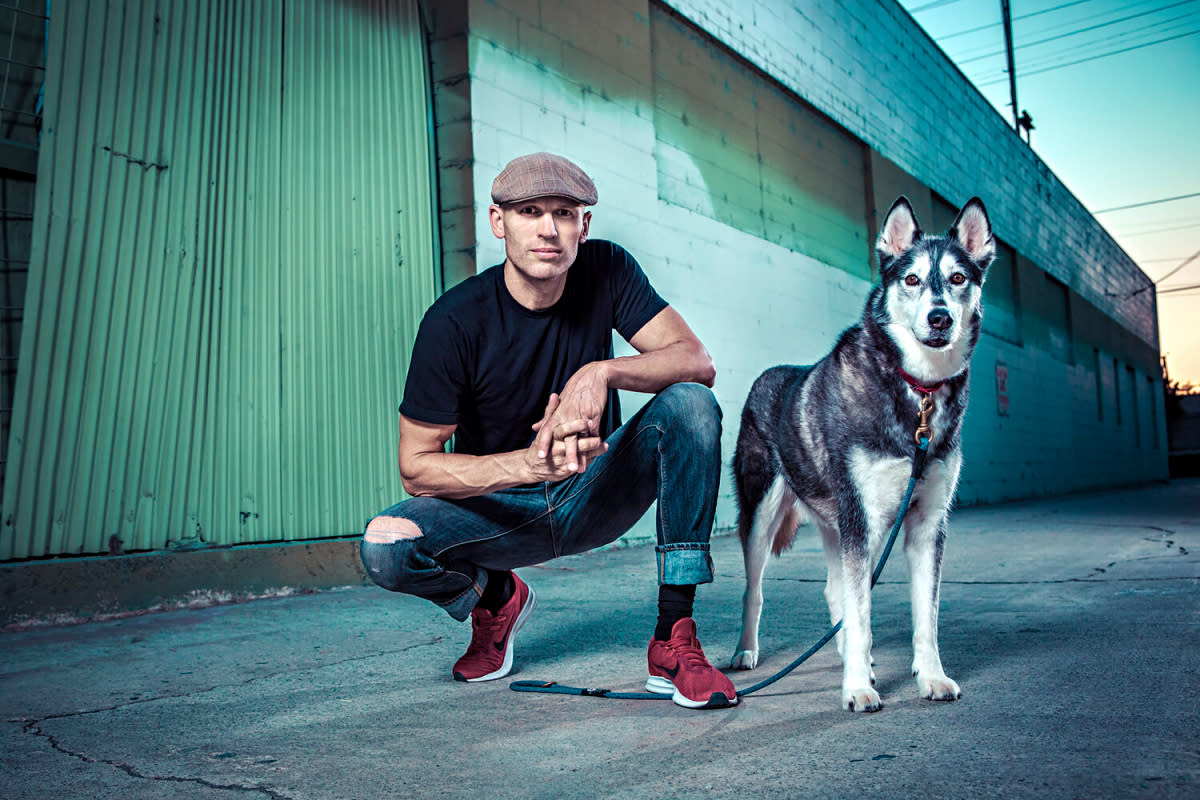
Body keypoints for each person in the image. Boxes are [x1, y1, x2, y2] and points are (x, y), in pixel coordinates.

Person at [360, 152, 737, 709]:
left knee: (692, 405)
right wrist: (528, 466)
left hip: (594, 489)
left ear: (583, 226)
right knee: (386, 545)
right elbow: (416, 467)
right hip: (497, 511)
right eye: (529, 211)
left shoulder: (607, 270)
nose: (548, 229)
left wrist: (602, 372)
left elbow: (696, 362)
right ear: (498, 222)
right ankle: (496, 598)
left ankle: (673, 636)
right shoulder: (452, 322)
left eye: (564, 213)